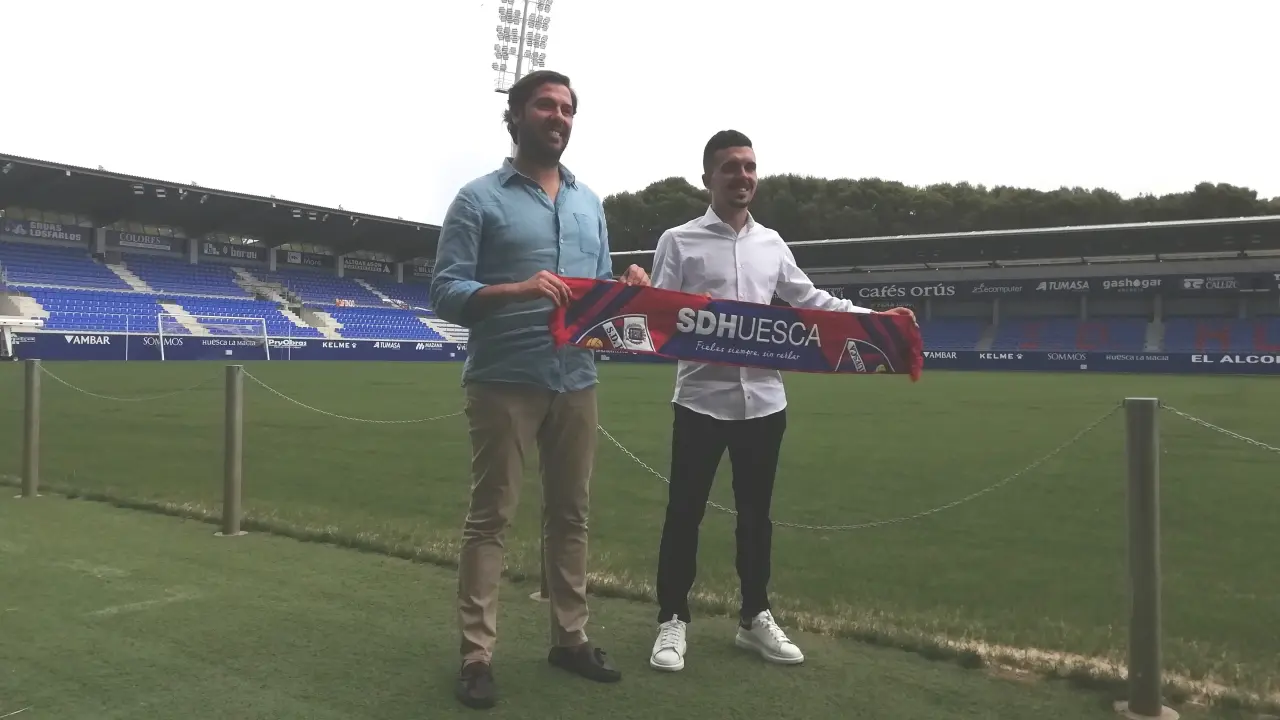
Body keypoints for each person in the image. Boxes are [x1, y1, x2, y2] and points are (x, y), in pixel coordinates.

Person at [646, 130, 914, 672]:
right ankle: (672, 619)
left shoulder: (772, 243)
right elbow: (656, 313)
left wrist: (875, 320)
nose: (742, 176)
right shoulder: (678, 241)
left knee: (756, 517)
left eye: (749, 166)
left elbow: (810, 300)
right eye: (730, 167)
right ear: (708, 177)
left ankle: (754, 617)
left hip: (765, 402)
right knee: (684, 514)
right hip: (700, 399)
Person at [429, 69, 649, 709]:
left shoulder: (589, 203)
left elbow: (597, 298)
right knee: (490, 518)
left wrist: (626, 289)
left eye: (568, 109)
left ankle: (570, 639)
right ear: (517, 114)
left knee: (572, 514)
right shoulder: (477, 199)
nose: (559, 117)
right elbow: (445, 292)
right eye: (546, 105)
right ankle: (476, 655)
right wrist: (517, 289)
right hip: (504, 379)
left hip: (576, 379)